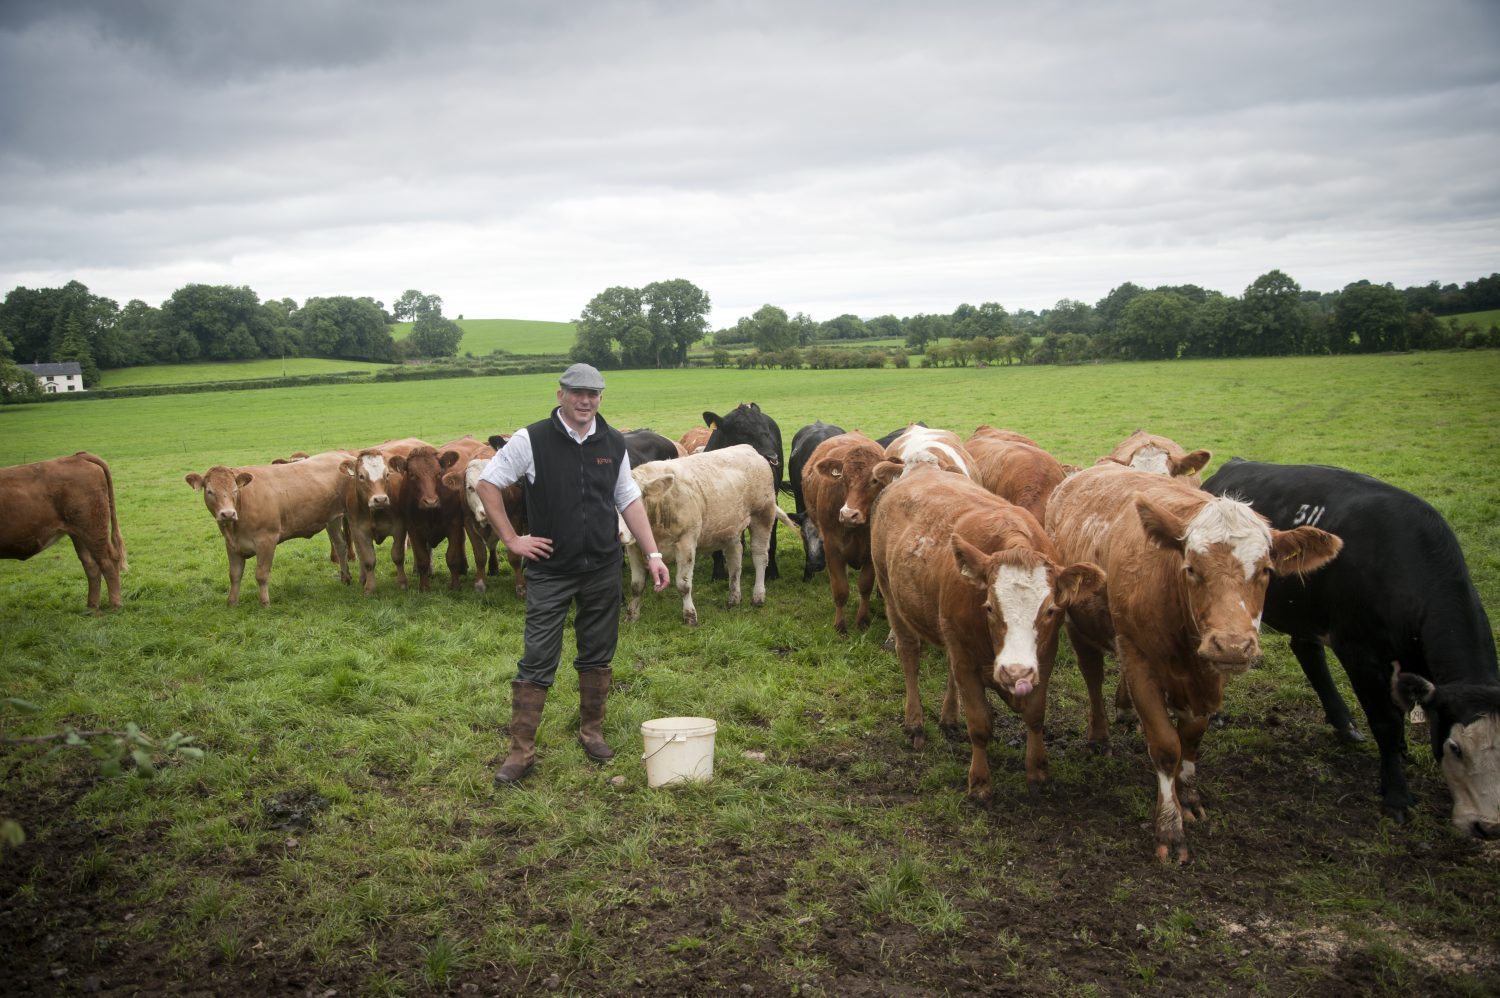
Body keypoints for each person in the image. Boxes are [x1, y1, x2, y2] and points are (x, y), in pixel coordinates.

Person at [476, 363, 671, 786]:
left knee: (598, 652)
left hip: (602, 565)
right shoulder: (532, 439)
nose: (585, 401)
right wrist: (512, 539)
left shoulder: (612, 441)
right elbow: (488, 484)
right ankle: (521, 751)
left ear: (600, 397)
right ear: (560, 394)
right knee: (537, 656)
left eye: (593, 394)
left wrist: (653, 552)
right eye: (577, 393)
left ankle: (592, 731)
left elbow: (627, 498)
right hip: (550, 569)